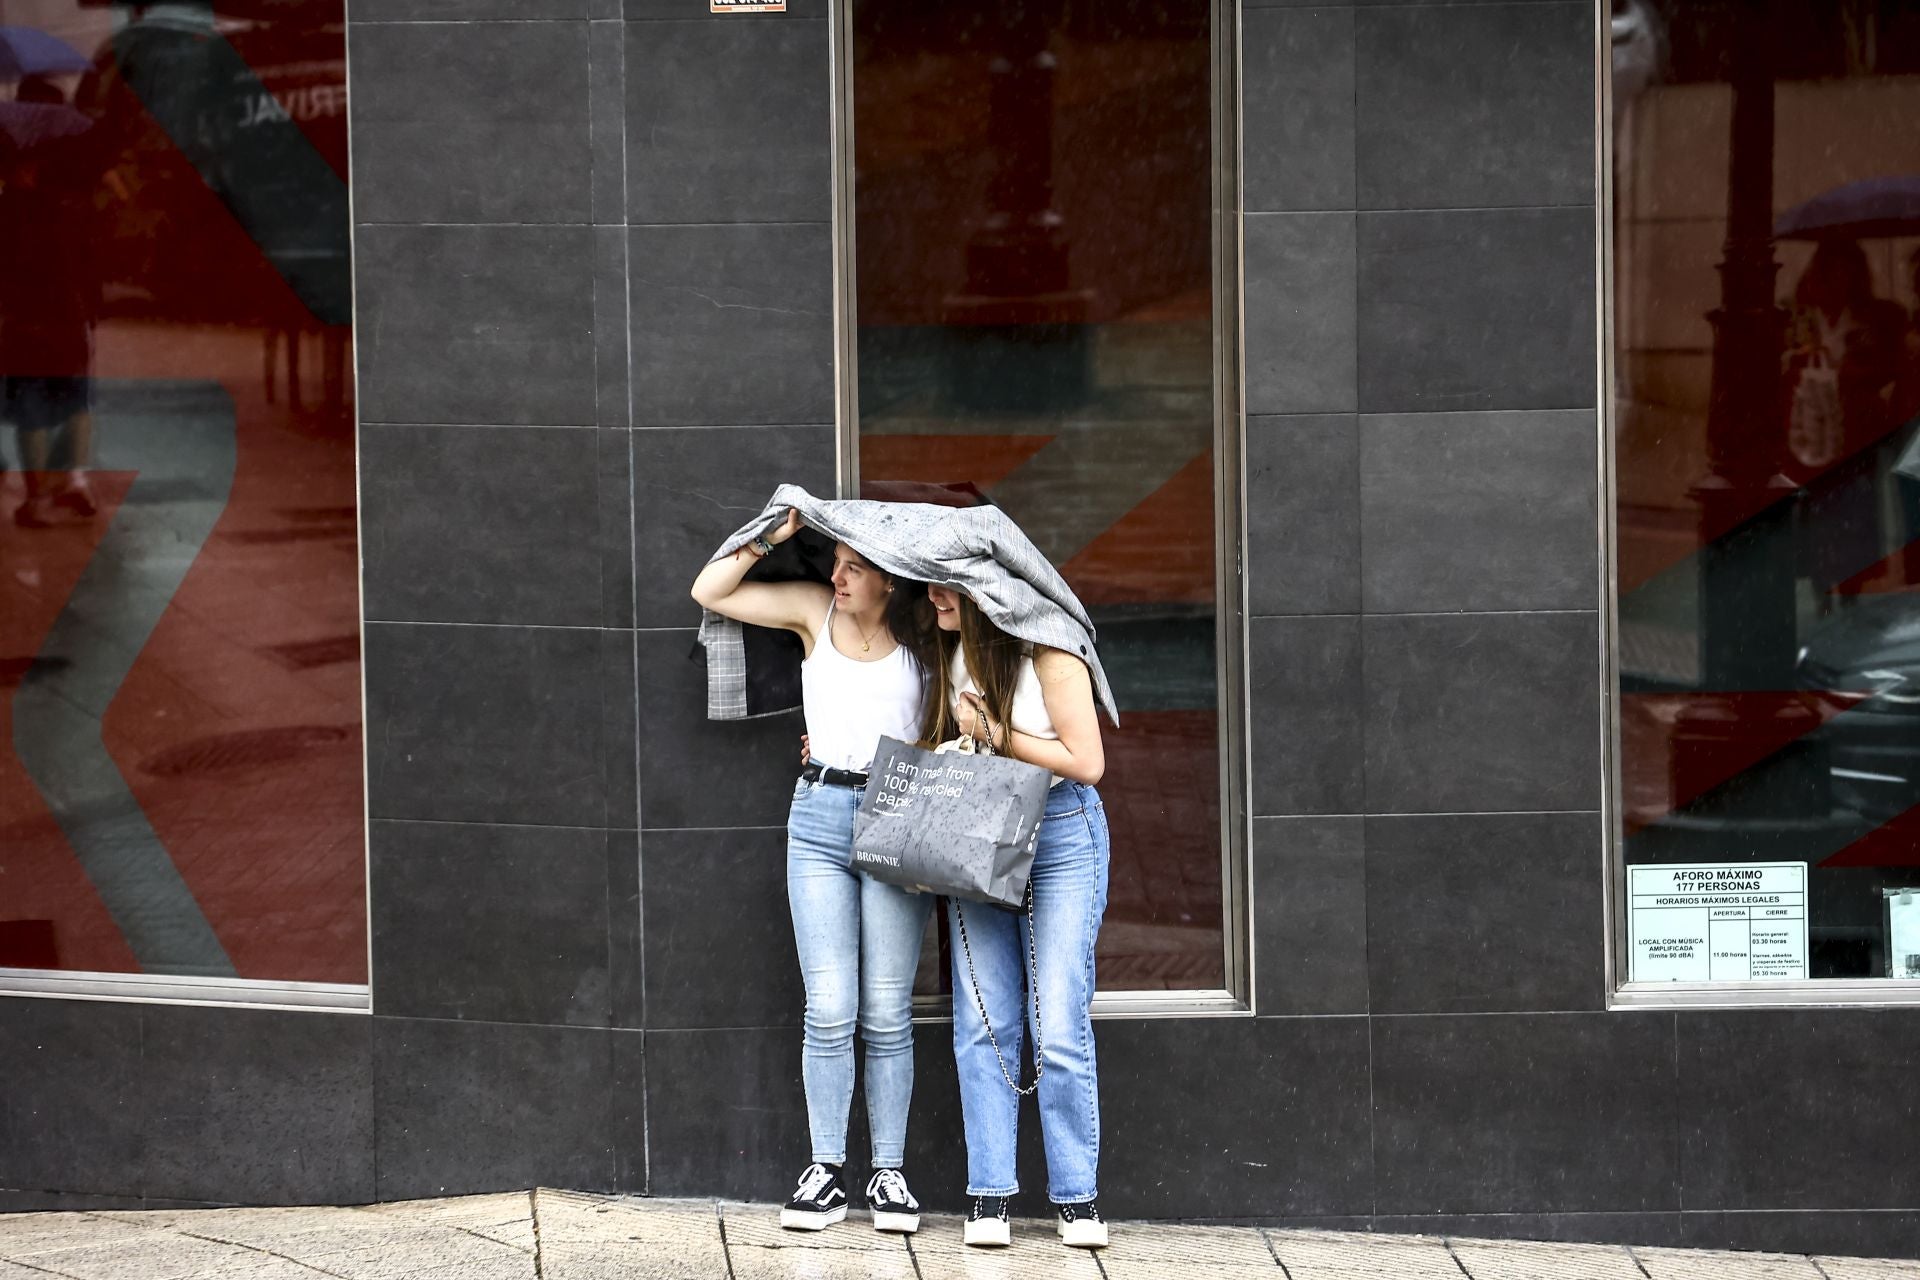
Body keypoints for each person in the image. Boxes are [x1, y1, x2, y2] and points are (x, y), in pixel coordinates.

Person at [690, 510, 941, 1236]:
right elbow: (711, 589)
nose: (837, 577)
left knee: (888, 1009)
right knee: (829, 1007)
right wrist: (771, 535)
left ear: (890, 578)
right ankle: (825, 1170)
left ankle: (888, 1173)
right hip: (820, 815)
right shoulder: (811, 611)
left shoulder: (923, 639)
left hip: (897, 814)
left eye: (854, 568)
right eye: (834, 561)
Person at [923, 581, 1111, 1250]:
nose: (931, 595)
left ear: (984, 592)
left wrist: (997, 732)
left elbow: (1087, 763)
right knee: (983, 1018)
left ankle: (1077, 1197)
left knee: (1056, 1017)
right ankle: (989, 1193)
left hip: (1061, 830)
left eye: (945, 586)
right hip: (983, 821)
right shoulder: (946, 653)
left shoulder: (1051, 654)